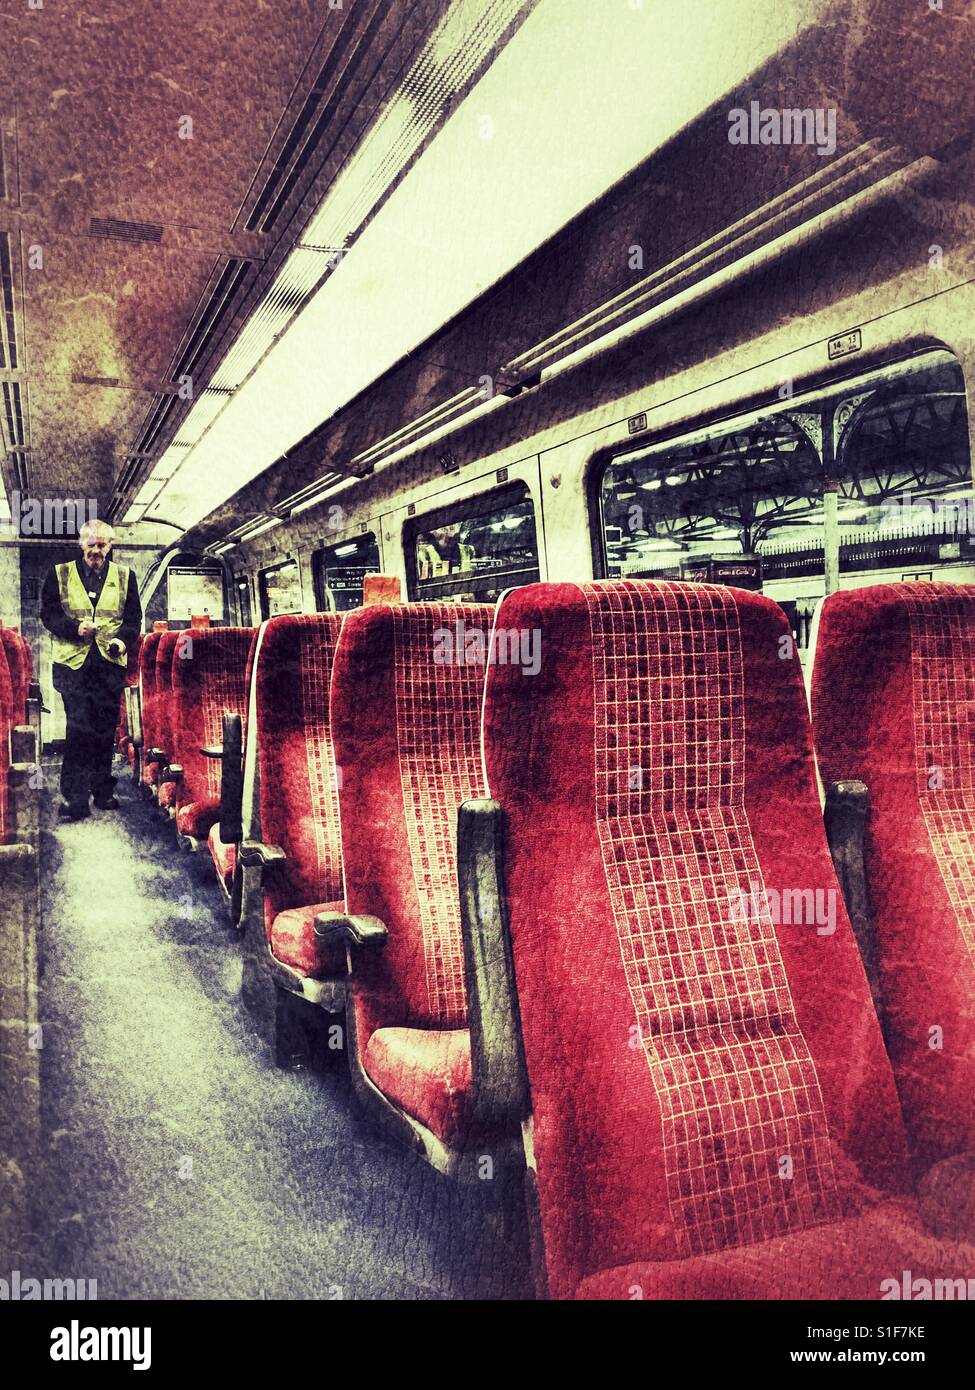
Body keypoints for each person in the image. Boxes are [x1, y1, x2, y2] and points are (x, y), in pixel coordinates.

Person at [41, 519, 142, 820]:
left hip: (108, 665)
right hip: (73, 667)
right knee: (78, 729)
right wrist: (75, 628)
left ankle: (103, 790)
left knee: (104, 731)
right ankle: (75, 798)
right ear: (81, 543)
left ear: (110, 546)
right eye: (91, 543)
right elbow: (48, 615)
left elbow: (133, 620)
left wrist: (123, 642)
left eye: (102, 544)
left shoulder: (126, 577)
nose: (96, 550)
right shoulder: (58, 574)